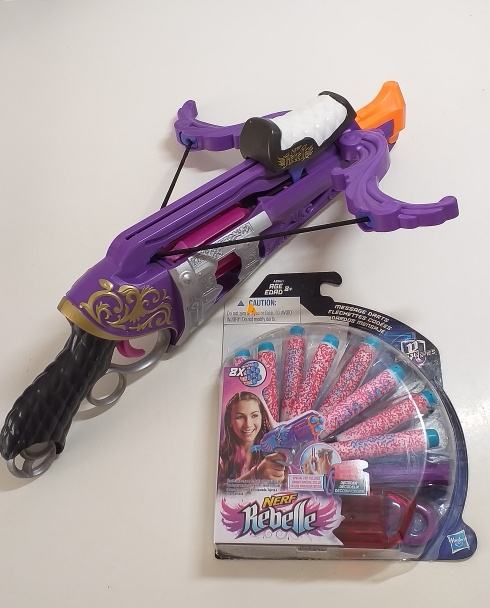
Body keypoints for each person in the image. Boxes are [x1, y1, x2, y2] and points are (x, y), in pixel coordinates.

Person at [218, 391, 285, 483]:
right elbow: (221, 490)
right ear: (230, 421)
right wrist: (256, 474)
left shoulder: (276, 451)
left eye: (254, 415)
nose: (248, 424)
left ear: (262, 417)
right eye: (240, 417)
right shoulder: (221, 456)